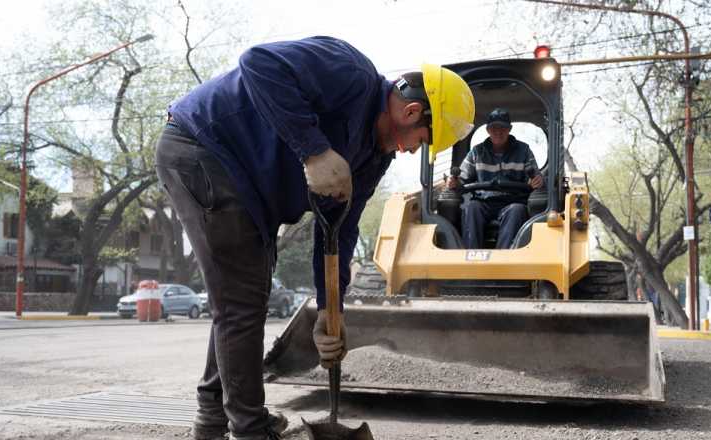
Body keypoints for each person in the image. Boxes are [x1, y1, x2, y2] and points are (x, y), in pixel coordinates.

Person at [155, 36, 474, 440]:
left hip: (251, 190)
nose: (414, 152)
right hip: (204, 147)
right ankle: (249, 429)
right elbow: (259, 63)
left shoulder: (373, 159)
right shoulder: (350, 72)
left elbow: (338, 231)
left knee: (243, 298)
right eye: (422, 141)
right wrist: (314, 151)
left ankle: (215, 418)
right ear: (411, 112)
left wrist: (330, 308)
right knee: (241, 302)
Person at [447, 108, 542, 249]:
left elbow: (534, 176)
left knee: (517, 210)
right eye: (494, 128)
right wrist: (454, 182)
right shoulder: (476, 153)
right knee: (471, 208)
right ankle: (470, 258)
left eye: (503, 128)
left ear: (509, 129)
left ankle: (503, 259)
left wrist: (536, 180)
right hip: (483, 202)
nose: (498, 132)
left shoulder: (524, 151)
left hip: (512, 202)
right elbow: (462, 179)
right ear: (488, 130)